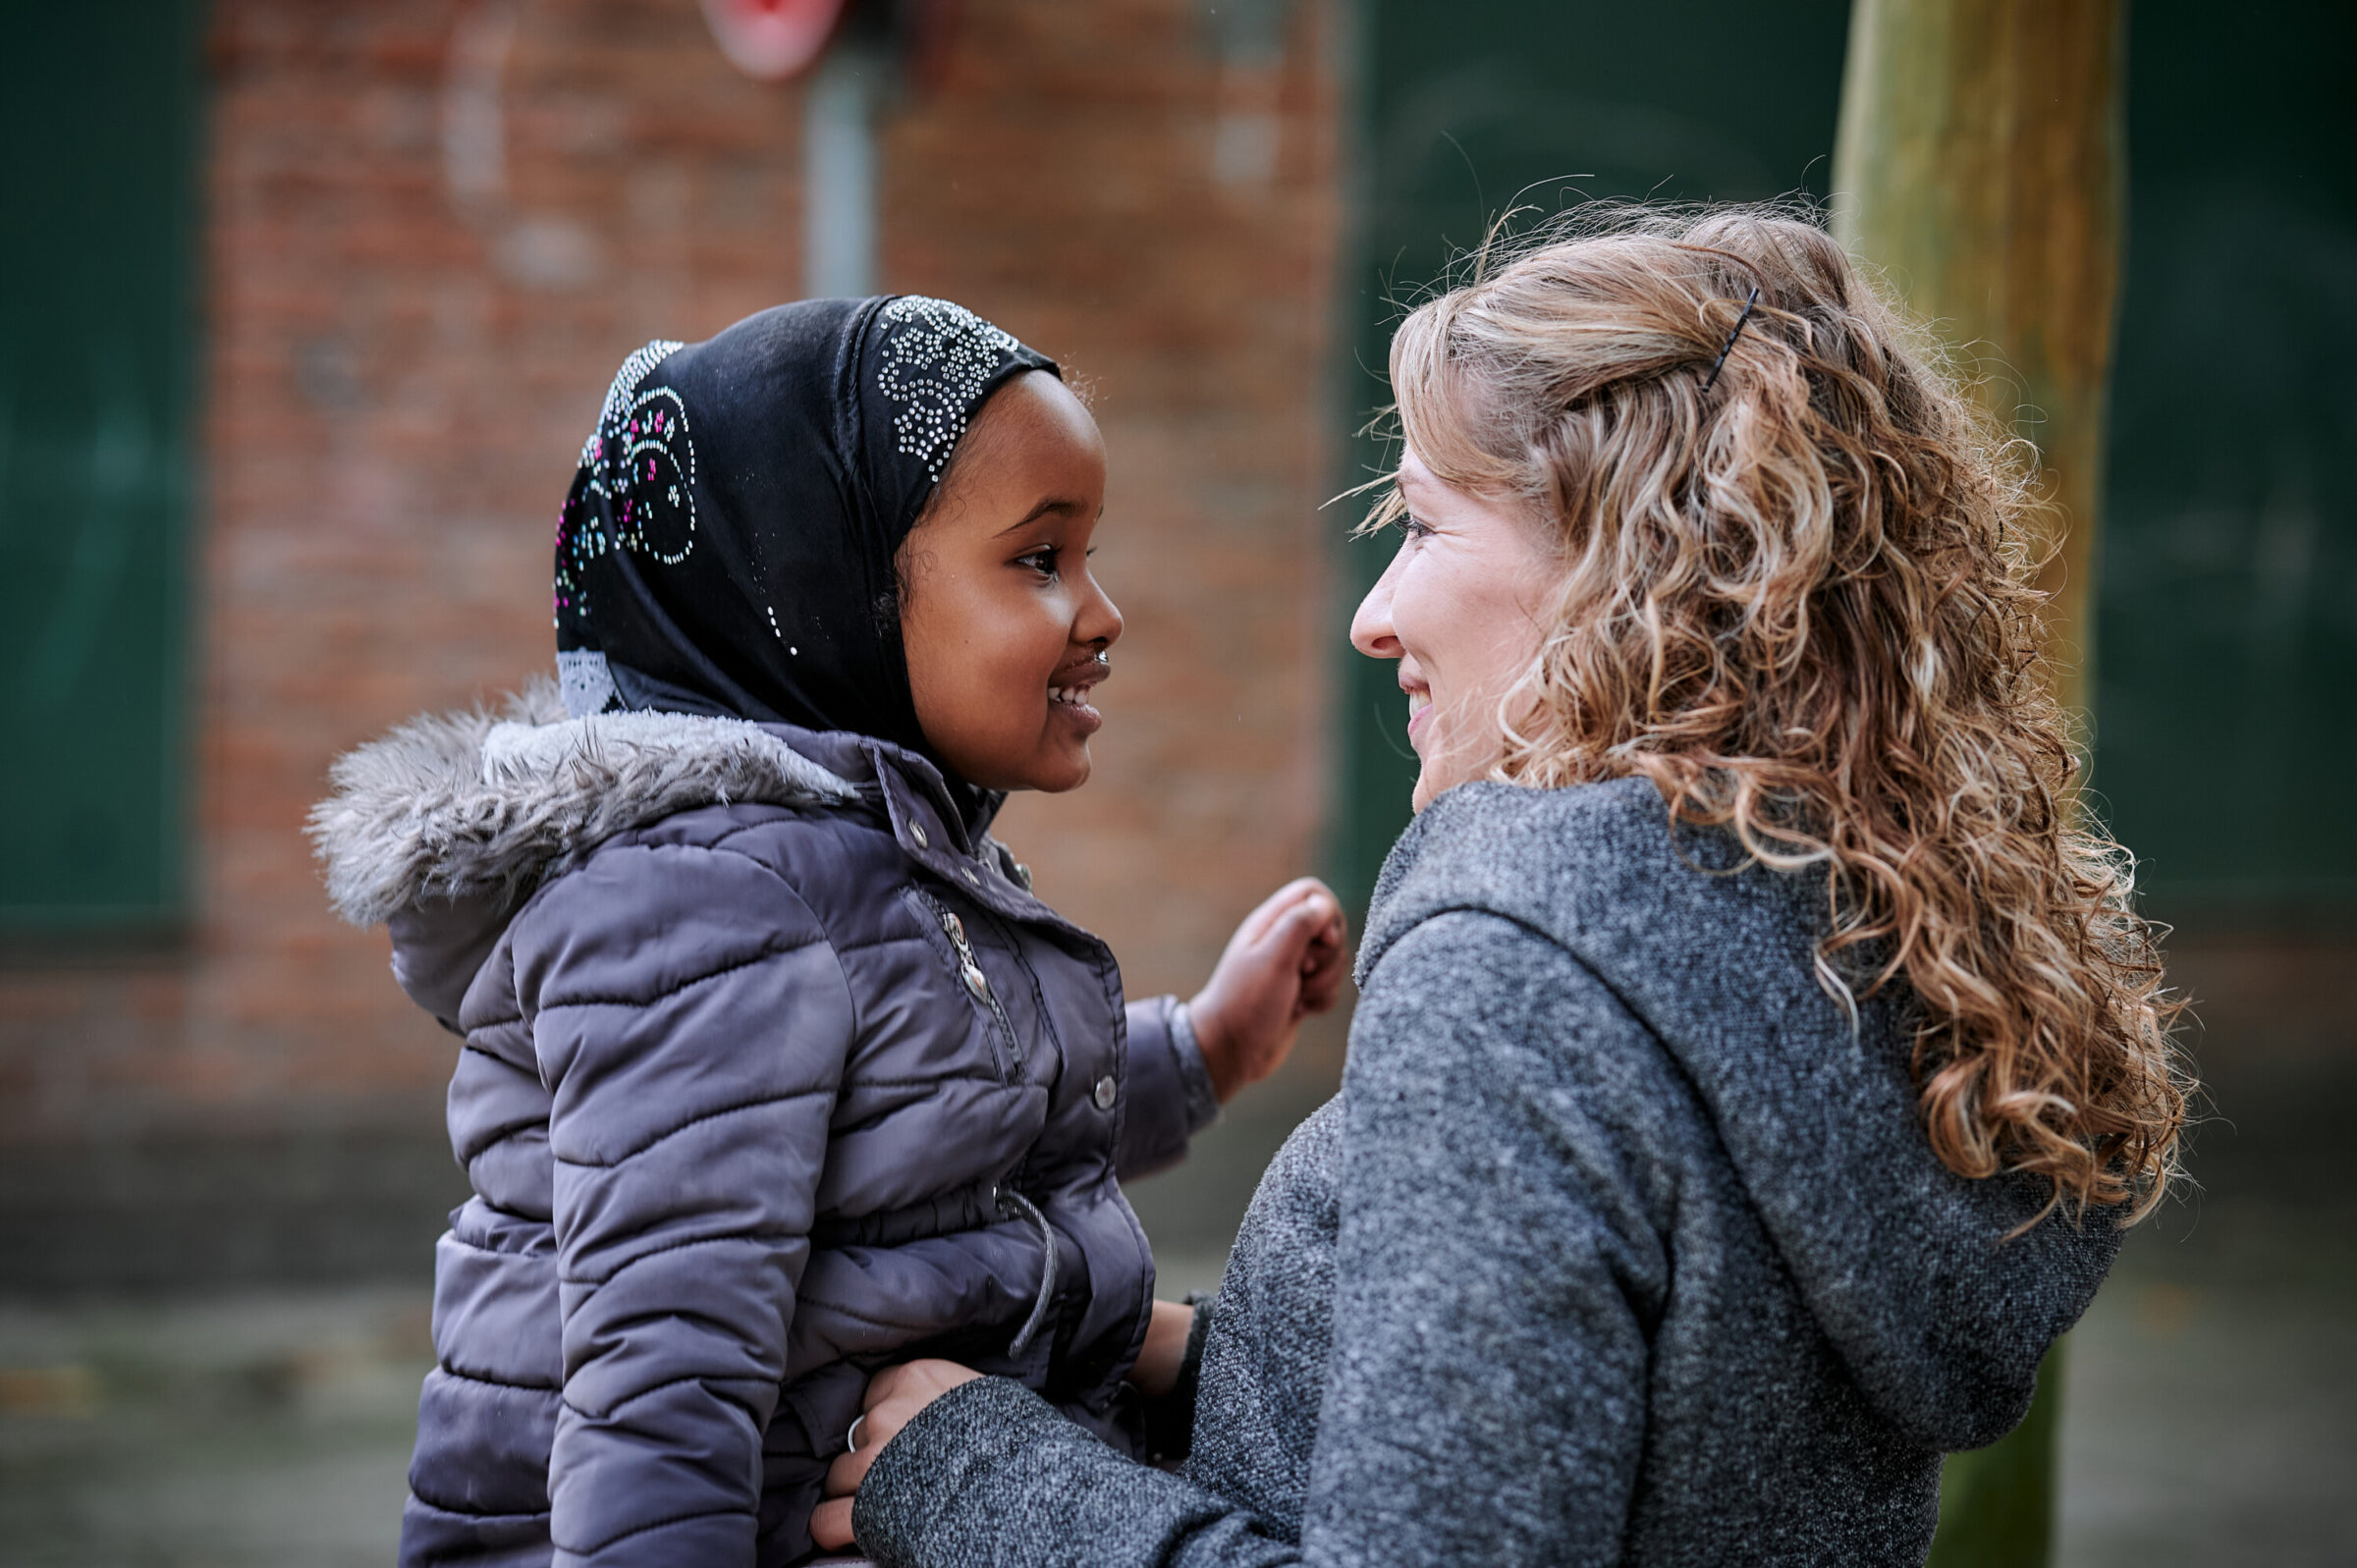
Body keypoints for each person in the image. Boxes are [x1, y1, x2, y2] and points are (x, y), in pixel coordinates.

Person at [811, 207, 2191, 1567]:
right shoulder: (1833, 922)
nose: (1375, 613)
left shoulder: (1526, 966)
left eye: (1418, 523)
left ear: (1623, 558)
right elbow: (1658, 1438)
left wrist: (977, 1472)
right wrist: (1197, 1357)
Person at [308, 295, 1347, 1568]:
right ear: (824, 584)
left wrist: (1206, 1046)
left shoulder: (876, 859)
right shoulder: (707, 905)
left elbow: (952, 1115)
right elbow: (659, 1380)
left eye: (1090, 555)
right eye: (1038, 558)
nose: (1101, 610)